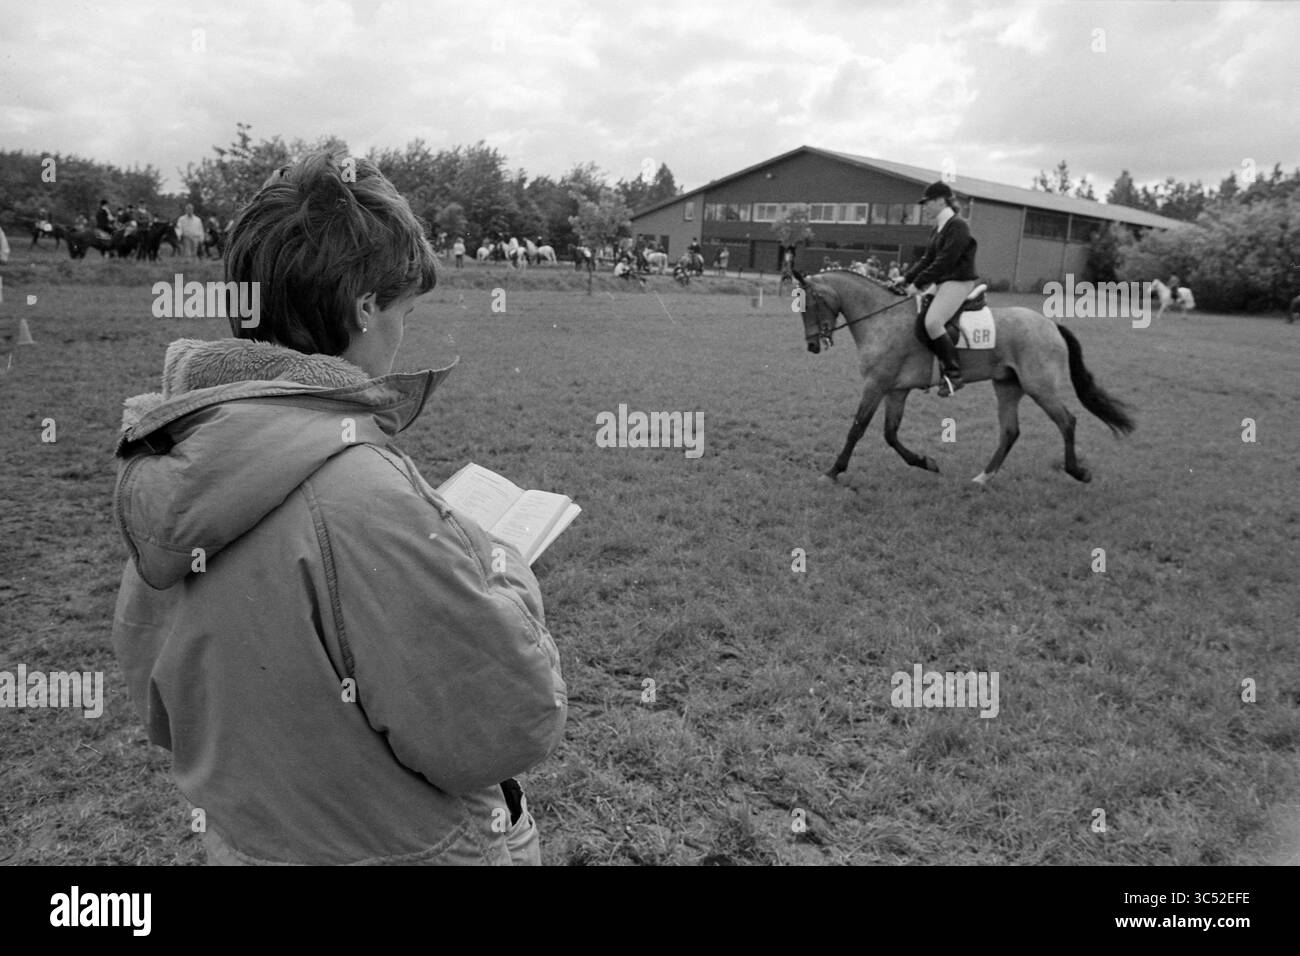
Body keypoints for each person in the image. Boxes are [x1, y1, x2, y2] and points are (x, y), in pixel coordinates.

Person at [110, 152, 566, 865]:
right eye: (405, 310)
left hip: (247, 841)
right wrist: (500, 567)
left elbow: (158, 696)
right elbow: (499, 726)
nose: (404, 332)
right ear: (364, 307)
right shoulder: (361, 491)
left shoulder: (179, 458)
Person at [897, 181, 979, 396]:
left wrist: (918, 284)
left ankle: (954, 374)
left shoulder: (958, 226)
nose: (925, 207)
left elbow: (945, 261)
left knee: (933, 322)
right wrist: (905, 279)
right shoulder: (939, 228)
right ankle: (933, 371)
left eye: (928, 203)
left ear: (941, 201)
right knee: (919, 326)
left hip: (959, 280)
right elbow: (927, 259)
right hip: (944, 281)